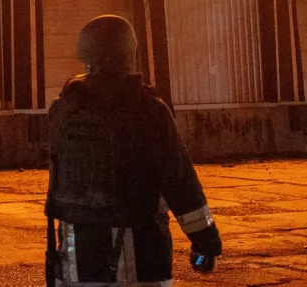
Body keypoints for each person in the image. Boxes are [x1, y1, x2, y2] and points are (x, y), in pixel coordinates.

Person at [45, 15, 222, 286]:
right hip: (142, 255)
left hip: (75, 260)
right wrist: (205, 241)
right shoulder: (147, 109)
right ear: (129, 54)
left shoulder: (63, 109)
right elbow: (179, 180)